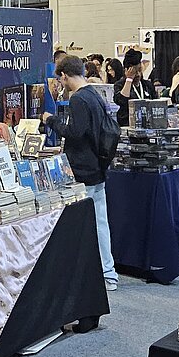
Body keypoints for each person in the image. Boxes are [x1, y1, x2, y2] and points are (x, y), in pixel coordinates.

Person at [42, 55, 119, 293]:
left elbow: (75, 132)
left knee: (81, 225)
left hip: (83, 171)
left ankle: (92, 275)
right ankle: (108, 273)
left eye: (60, 79)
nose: (60, 83)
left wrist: (51, 120)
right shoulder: (94, 94)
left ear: (65, 76)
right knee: (100, 222)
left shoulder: (78, 99)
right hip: (97, 167)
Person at [113, 49, 154, 127]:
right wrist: (129, 79)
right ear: (126, 70)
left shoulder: (147, 85)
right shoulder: (119, 85)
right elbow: (121, 101)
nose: (138, 74)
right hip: (127, 124)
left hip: (147, 124)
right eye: (134, 72)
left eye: (139, 70)